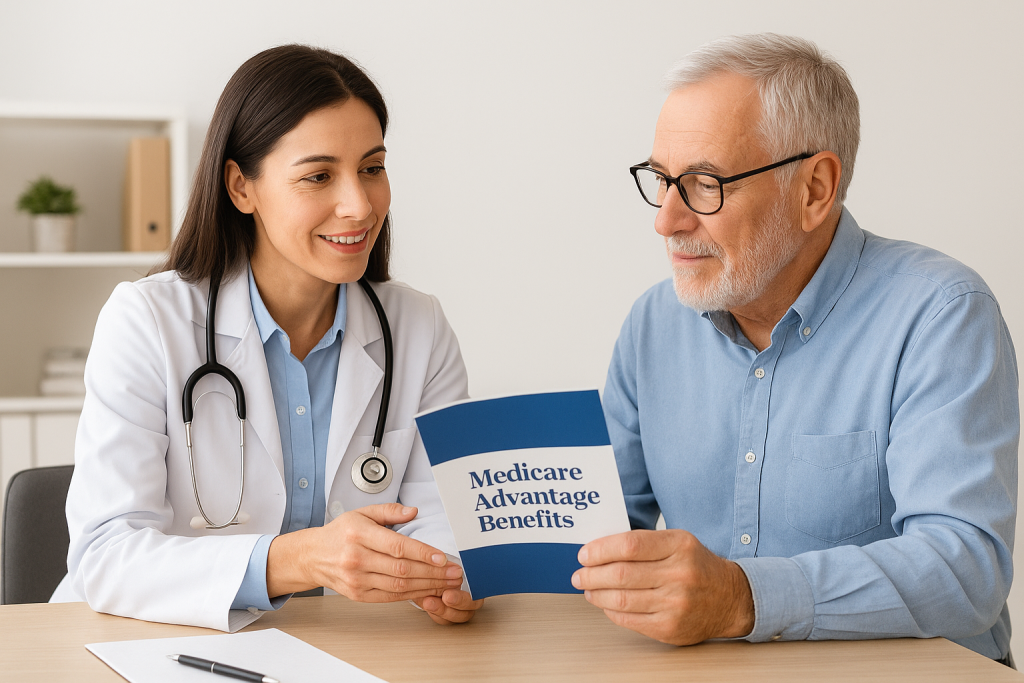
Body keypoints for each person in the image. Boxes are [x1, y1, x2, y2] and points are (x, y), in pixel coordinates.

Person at [571, 33, 1018, 665]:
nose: (665, 220)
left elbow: (965, 571)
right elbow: (597, 529)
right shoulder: (654, 322)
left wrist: (740, 598)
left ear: (814, 189)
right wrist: (454, 558)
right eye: (660, 179)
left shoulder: (941, 313)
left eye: (703, 183)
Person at [51, 45, 483, 631]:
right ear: (241, 187)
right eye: (318, 176)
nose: (359, 204)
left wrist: (444, 577)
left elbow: (441, 516)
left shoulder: (419, 327)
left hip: (346, 648)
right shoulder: (146, 321)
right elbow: (107, 554)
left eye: (372, 168)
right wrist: (298, 560)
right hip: (148, 645)